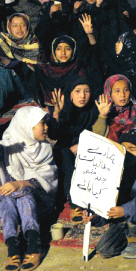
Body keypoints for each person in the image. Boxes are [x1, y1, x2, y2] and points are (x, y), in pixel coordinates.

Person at [0, 107, 57, 271]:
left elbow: (46, 180)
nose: (46, 128)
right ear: (26, 126)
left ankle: (34, 244)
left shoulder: (44, 148)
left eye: (46, 123)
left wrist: (20, 184)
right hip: (12, 197)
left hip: (40, 201)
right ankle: (13, 247)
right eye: (42, 124)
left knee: (23, 195)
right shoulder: (11, 145)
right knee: (7, 199)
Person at [90, 127, 136, 259]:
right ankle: (127, 235)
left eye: (132, 149)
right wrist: (96, 216)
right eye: (123, 148)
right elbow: (108, 200)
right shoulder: (116, 172)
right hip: (123, 219)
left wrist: (126, 210)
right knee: (104, 249)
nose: (126, 152)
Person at [46, 76, 99, 221]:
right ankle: (70, 201)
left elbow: (100, 134)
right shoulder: (63, 109)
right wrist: (56, 113)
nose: (82, 96)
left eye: (86, 91)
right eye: (78, 91)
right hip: (65, 149)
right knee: (64, 156)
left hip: (88, 147)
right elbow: (53, 134)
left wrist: (83, 145)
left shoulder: (94, 110)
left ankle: (76, 203)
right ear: (70, 94)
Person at [92, 75, 136, 142]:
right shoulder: (104, 111)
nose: (122, 95)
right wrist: (103, 116)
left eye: (126, 90)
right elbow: (96, 137)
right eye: (117, 91)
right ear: (109, 93)